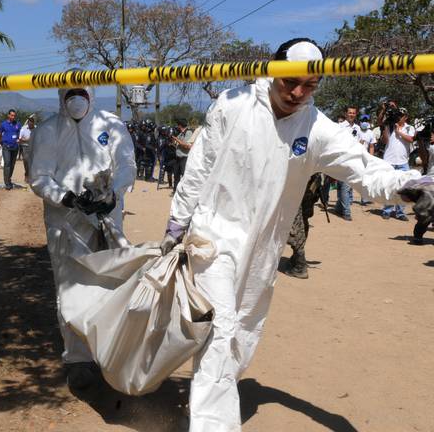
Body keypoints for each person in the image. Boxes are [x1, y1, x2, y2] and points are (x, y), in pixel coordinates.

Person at [159, 38, 423, 431]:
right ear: (274, 70)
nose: (298, 93)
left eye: (310, 86)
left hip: (264, 250)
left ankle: (204, 408)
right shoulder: (233, 105)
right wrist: (178, 220)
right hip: (212, 239)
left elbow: (366, 171)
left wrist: (414, 186)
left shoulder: (317, 128)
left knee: (242, 336)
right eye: (291, 82)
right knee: (220, 330)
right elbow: (200, 165)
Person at [29, 84, 136, 390]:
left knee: (110, 285)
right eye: (70, 93)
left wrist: (113, 193)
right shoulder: (48, 131)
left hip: (106, 220)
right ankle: (77, 360)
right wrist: (67, 198)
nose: (76, 99)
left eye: (82, 92)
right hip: (65, 222)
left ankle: (109, 353)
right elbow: (39, 176)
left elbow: (126, 164)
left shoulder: (111, 125)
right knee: (69, 287)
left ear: (91, 94)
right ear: (60, 96)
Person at [378, 104, 415, 221]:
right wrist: (385, 129)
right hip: (389, 161)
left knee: (404, 187)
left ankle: (400, 212)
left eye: (402, 116)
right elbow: (384, 140)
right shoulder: (390, 126)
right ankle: (387, 210)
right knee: (389, 187)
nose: (400, 118)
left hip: (403, 161)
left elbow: (411, 139)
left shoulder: (410, 127)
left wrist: (400, 133)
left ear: (406, 117)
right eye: (398, 115)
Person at [284, 174, 322, 279]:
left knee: (296, 221)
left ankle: (300, 265)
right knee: (302, 219)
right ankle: (296, 258)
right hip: (311, 182)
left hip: (300, 183)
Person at [334, 106, 361, 221]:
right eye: (349, 113)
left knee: (345, 186)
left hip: (353, 160)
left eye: (354, 113)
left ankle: (339, 207)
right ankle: (346, 212)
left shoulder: (357, 128)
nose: (351, 115)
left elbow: (358, 143)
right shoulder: (339, 126)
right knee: (344, 186)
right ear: (345, 114)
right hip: (341, 160)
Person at [0, 109, 21, 190]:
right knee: (7, 164)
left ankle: (8, 179)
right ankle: (7, 183)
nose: (13, 117)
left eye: (14, 115)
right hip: (6, 147)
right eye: (12, 115)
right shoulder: (3, 124)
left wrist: (19, 139)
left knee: (12, 165)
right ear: (8, 115)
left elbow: (20, 134)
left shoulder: (18, 124)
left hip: (15, 147)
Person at [358, 114, 377, 205]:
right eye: (363, 120)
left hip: (365, 158)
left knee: (366, 178)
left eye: (366, 120)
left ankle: (365, 198)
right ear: (360, 121)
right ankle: (348, 199)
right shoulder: (356, 130)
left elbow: (371, 146)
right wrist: (358, 143)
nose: (364, 122)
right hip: (355, 157)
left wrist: (371, 158)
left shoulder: (370, 133)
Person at [172, 117, 193, 192]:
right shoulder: (181, 133)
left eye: (178, 125)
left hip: (185, 158)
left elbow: (187, 146)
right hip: (178, 158)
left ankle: (185, 192)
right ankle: (175, 191)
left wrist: (175, 139)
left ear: (180, 125)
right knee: (176, 175)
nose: (177, 127)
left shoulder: (188, 132)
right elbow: (175, 143)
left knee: (184, 176)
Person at [18, 115, 36, 182]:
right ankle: (27, 174)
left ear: (33, 123)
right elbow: (20, 140)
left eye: (32, 122)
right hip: (25, 146)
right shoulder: (23, 129)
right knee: (26, 160)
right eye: (29, 122)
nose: (30, 123)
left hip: (34, 147)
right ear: (28, 122)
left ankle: (32, 176)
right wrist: (27, 140)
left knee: (33, 162)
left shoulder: (36, 128)